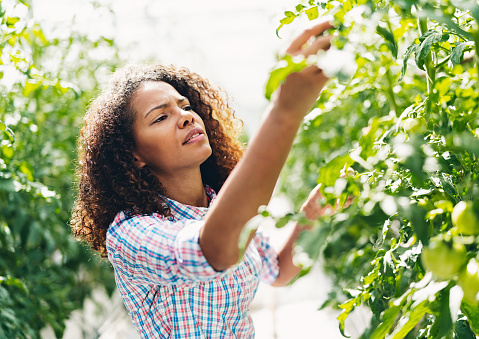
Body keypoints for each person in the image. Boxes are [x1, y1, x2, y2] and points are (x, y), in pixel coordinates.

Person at [71, 20, 334, 338]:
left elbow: (276, 269)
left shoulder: (215, 203)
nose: (185, 116)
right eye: (161, 116)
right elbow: (213, 252)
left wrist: (315, 213)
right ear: (133, 156)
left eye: (185, 105)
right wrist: (284, 112)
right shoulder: (131, 232)